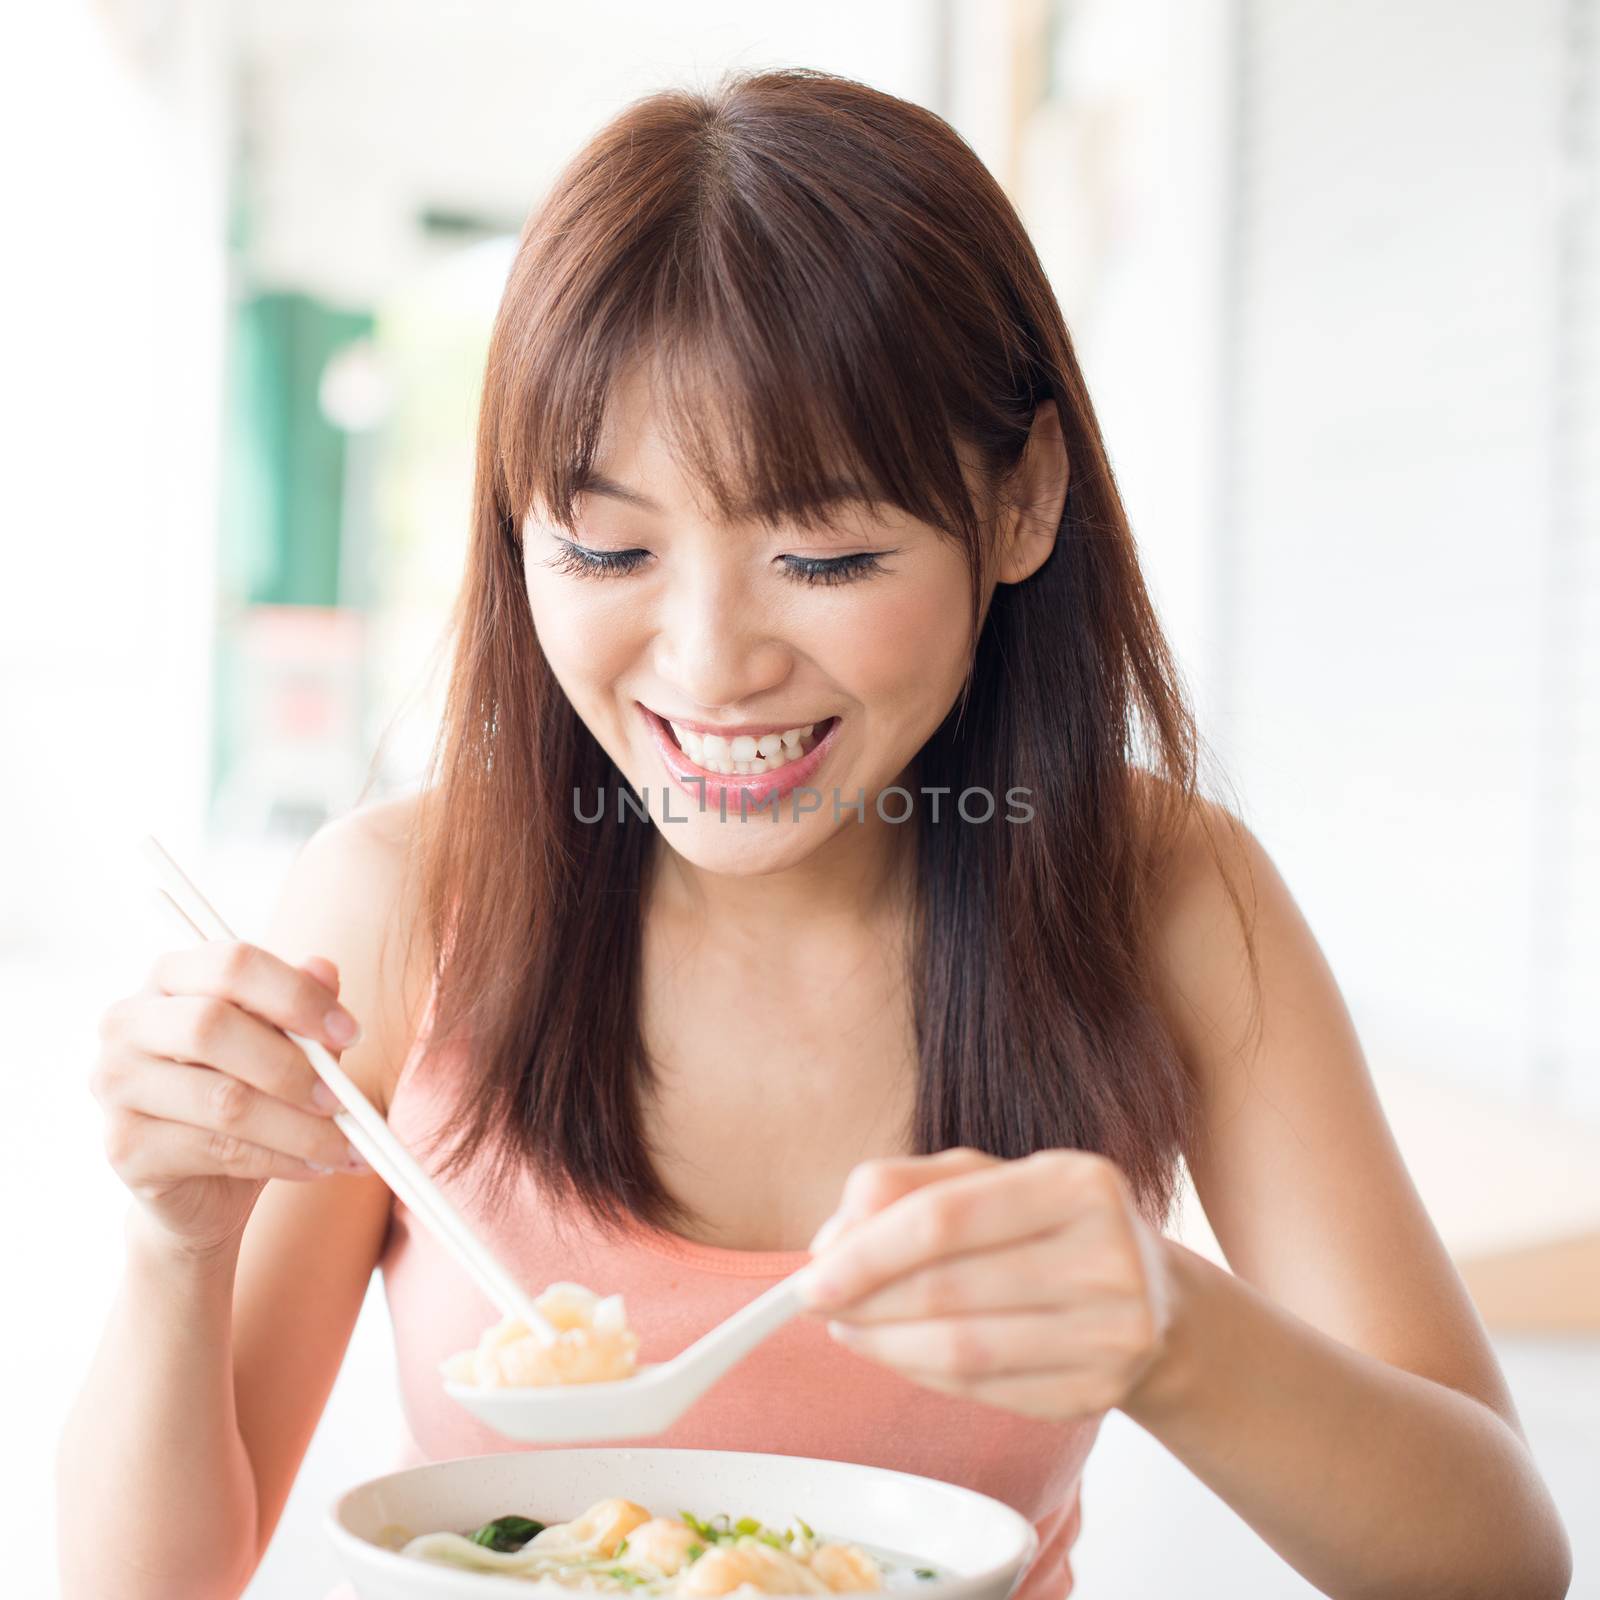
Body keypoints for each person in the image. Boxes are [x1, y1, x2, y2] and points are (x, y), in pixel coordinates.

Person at [58, 66, 1571, 1600]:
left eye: (826, 553)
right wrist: (175, 1246)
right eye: (606, 545)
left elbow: (1495, 1565)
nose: (711, 663)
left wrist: (1170, 1331)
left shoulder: (1163, 896)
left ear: (1025, 501)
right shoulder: (398, 906)